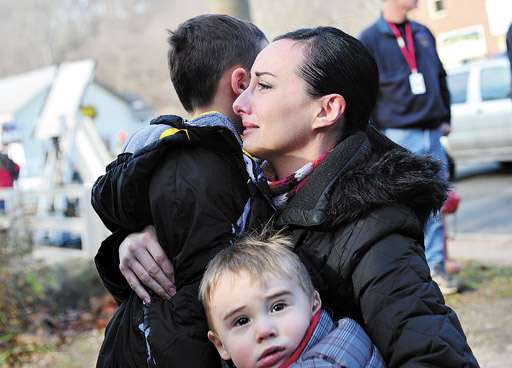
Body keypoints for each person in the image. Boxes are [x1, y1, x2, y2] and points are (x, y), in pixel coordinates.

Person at [97, 26, 479, 366]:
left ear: (326, 110)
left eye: (263, 86)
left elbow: (433, 350)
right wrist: (143, 238)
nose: (241, 104)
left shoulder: (372, 227)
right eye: (246, 87)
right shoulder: (249, 189)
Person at [91, 14, 272, 368]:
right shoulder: (202, 169)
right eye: (263, 82)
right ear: (240, 82)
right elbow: (198, 298)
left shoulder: (166, 155)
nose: (264, 93)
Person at [359, 0, 458, 295]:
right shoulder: (370, 39)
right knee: (408, 205)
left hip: (432, 131)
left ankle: (437, 267)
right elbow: (367, 93)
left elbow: (439, 76)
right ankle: (415, 270)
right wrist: (378, 138)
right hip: (399, 134)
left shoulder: (423, 32)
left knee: (437, 201)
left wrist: (446, 116)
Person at [199, 230, 385, 367]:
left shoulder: (329, 360)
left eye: (278, 307)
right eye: (241, 321)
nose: (264, 331)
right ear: (220, 345)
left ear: (314, 303)